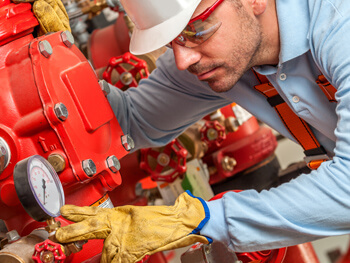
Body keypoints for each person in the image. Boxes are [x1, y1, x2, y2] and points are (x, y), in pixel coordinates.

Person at [54, 0, 350, 262]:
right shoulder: (208, 55)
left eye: (197, 30)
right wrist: (57, 56)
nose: (183, 61)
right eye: (172, 42)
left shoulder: (340, 25)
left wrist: (195, 221)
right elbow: (130, 121)